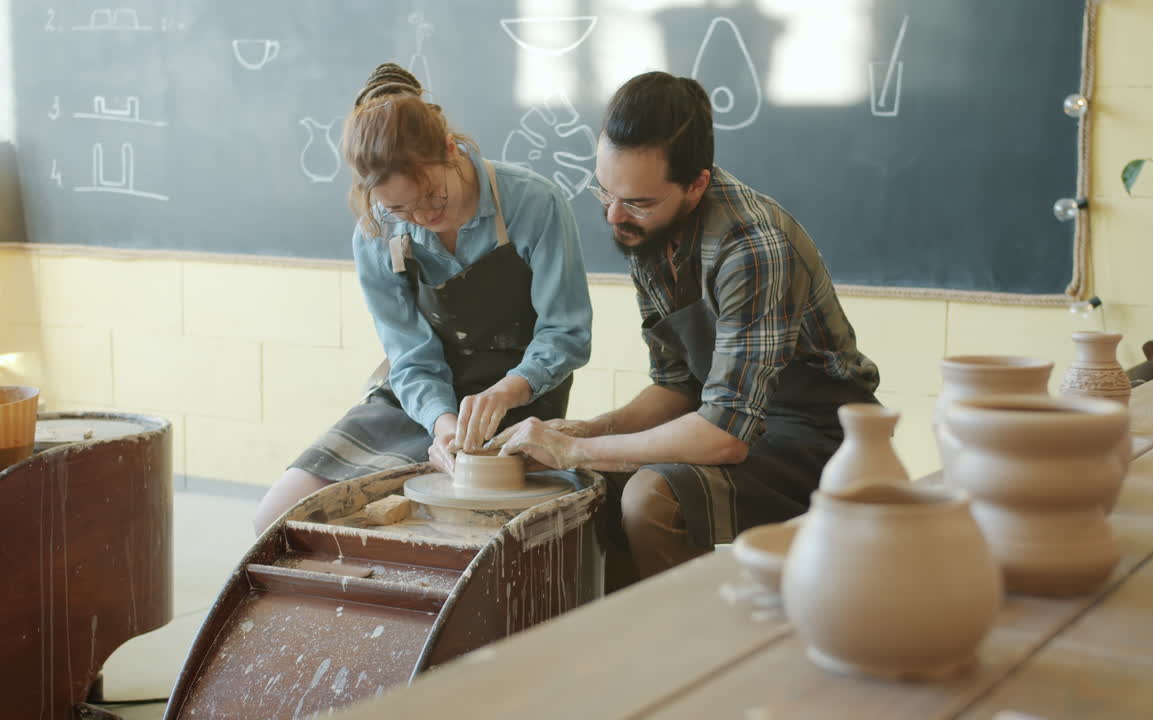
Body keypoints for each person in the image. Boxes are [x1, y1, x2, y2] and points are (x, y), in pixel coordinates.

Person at [491, 71, 880, 588]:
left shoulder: (752, 247)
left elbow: (725, 435)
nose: (613, 216)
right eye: (603, 192)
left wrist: (579, 450)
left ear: (696, 184)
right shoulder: (643, 225)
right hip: (730, 420)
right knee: (593, 483)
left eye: (637, 201)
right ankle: (635, 642)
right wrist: (589, 431)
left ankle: (694, 649)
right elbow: (677, 385)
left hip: (819, 433)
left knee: (651, 496)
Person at [253, 63, 592, 534]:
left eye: (432, 195)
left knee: (471, 533)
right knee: (277, 517)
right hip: (423, 396)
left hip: (520, 393)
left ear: (450, 150)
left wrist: (508, 390)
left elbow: (567, 332)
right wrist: (441, 422)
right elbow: (410, 354)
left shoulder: (533, 203)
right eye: (399, 208)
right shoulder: (376, 230)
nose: (421, 216)